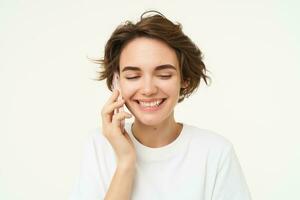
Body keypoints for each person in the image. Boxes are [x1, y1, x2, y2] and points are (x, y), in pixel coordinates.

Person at [70, 10, 252, 200]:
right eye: (133, 76)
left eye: (164, 75)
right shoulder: (99, 145)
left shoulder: (216, 152)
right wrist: (125, 163)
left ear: (185, 79)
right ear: (117, 81)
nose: (148, 89)